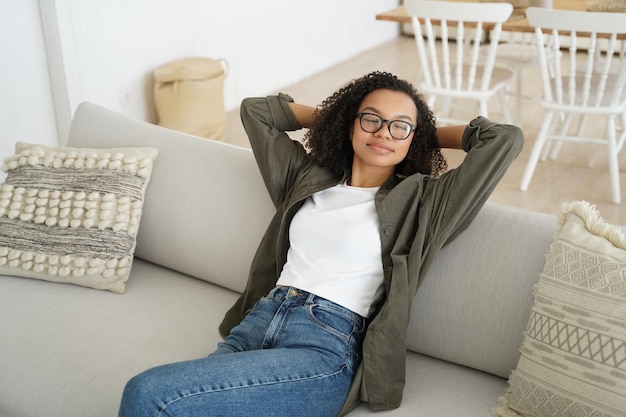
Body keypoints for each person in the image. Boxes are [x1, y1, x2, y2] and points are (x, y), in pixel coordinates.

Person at [118, 71, 524, 417]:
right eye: (371, 120)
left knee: (148, 394)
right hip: (256, 325)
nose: (383, 132)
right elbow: (255, 111)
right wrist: (340, 116)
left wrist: (421, 134)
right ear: (350, 125)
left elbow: (504, 140)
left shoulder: (424, 203)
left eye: (400, 125)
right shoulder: (307, 178)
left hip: (325, 347)